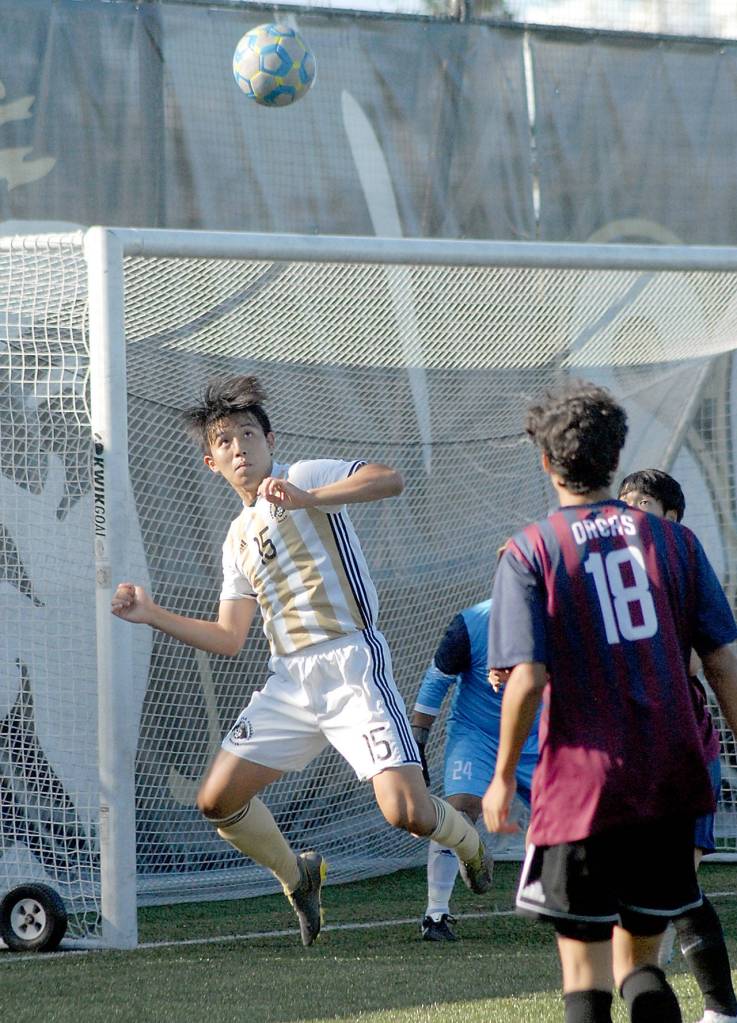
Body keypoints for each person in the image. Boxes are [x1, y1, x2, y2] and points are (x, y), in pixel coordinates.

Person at [111, 375, 492, 946]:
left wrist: (312, 499)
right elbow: (229, 637)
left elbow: (388, 479)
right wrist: (152, 613)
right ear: (212, 463)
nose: (238, 448)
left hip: (351, 666)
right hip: (290, 680)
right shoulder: (236, 538)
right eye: (224, 442)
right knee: (216, 799)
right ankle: (298, 875)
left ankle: (468, 841)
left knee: (407, 814)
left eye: (247, 434)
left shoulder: (302, 476)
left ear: (269, 439)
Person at [482, 380, 737, 1023]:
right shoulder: (675, 543)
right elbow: (722, 662)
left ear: (544, 460)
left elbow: (528, 677)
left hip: (582, 787)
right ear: (616, 456)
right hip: (671, 782)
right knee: (641, 964)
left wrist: (500, 777)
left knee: (584, 974)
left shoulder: (530, 550)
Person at [618, 469, 737, 1023]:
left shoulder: (682, 560)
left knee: (671, 885)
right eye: (624, 503)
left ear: (671, 517)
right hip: (619, 759)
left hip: (687, 748)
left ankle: (718, 1007)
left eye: (642, 503)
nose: (630, 512)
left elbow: (708, 658)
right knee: (642, 894)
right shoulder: (605, 569)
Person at [410, 598, 538, 941]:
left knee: (556, 815)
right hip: (476, 734)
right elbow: (436, 680)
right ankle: (436, 913)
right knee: (460, 809)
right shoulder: (472, 623)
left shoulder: (559, 617)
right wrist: (417, 745)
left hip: (536, 736)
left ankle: (550, 895)